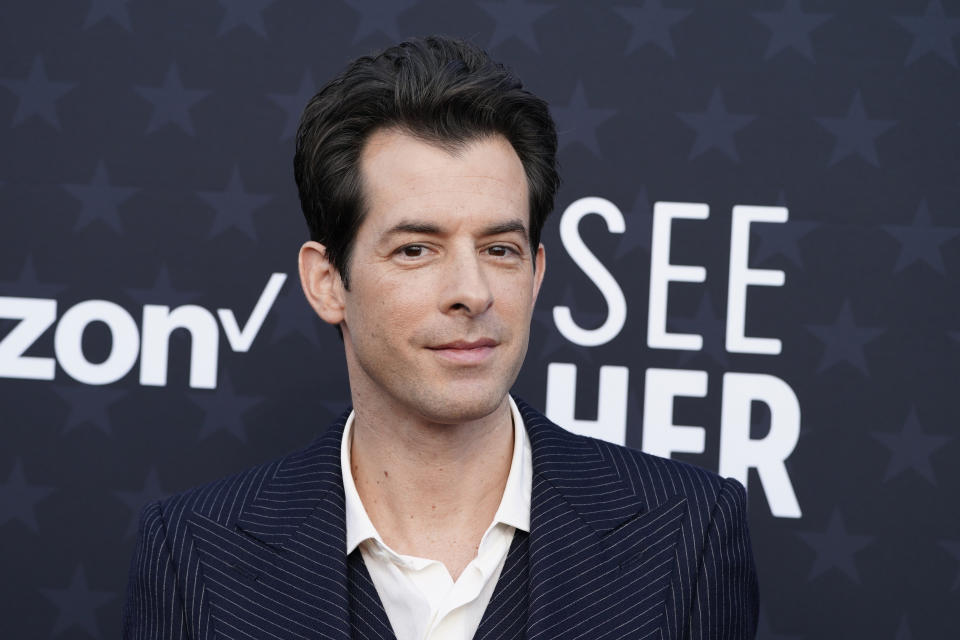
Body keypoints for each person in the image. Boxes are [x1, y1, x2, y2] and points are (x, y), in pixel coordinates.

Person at [123, 35, 758, 640]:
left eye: (500, 248)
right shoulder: (194, 553)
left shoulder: (686, 536)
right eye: (416, 249)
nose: (472, 291)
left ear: (535, 274)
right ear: (326, 282)